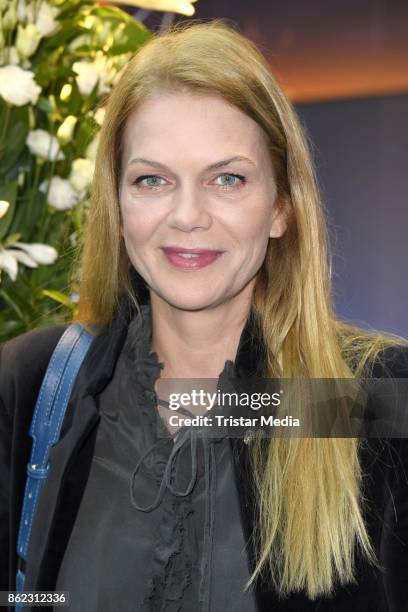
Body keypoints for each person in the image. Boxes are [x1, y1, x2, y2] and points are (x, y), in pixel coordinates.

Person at [1, 18, 408, 612]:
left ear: (281, 207)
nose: (187, 214)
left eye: (227, 178)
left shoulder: (374, 398)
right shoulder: (32, 386)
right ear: (116, 207)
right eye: (152, 180)